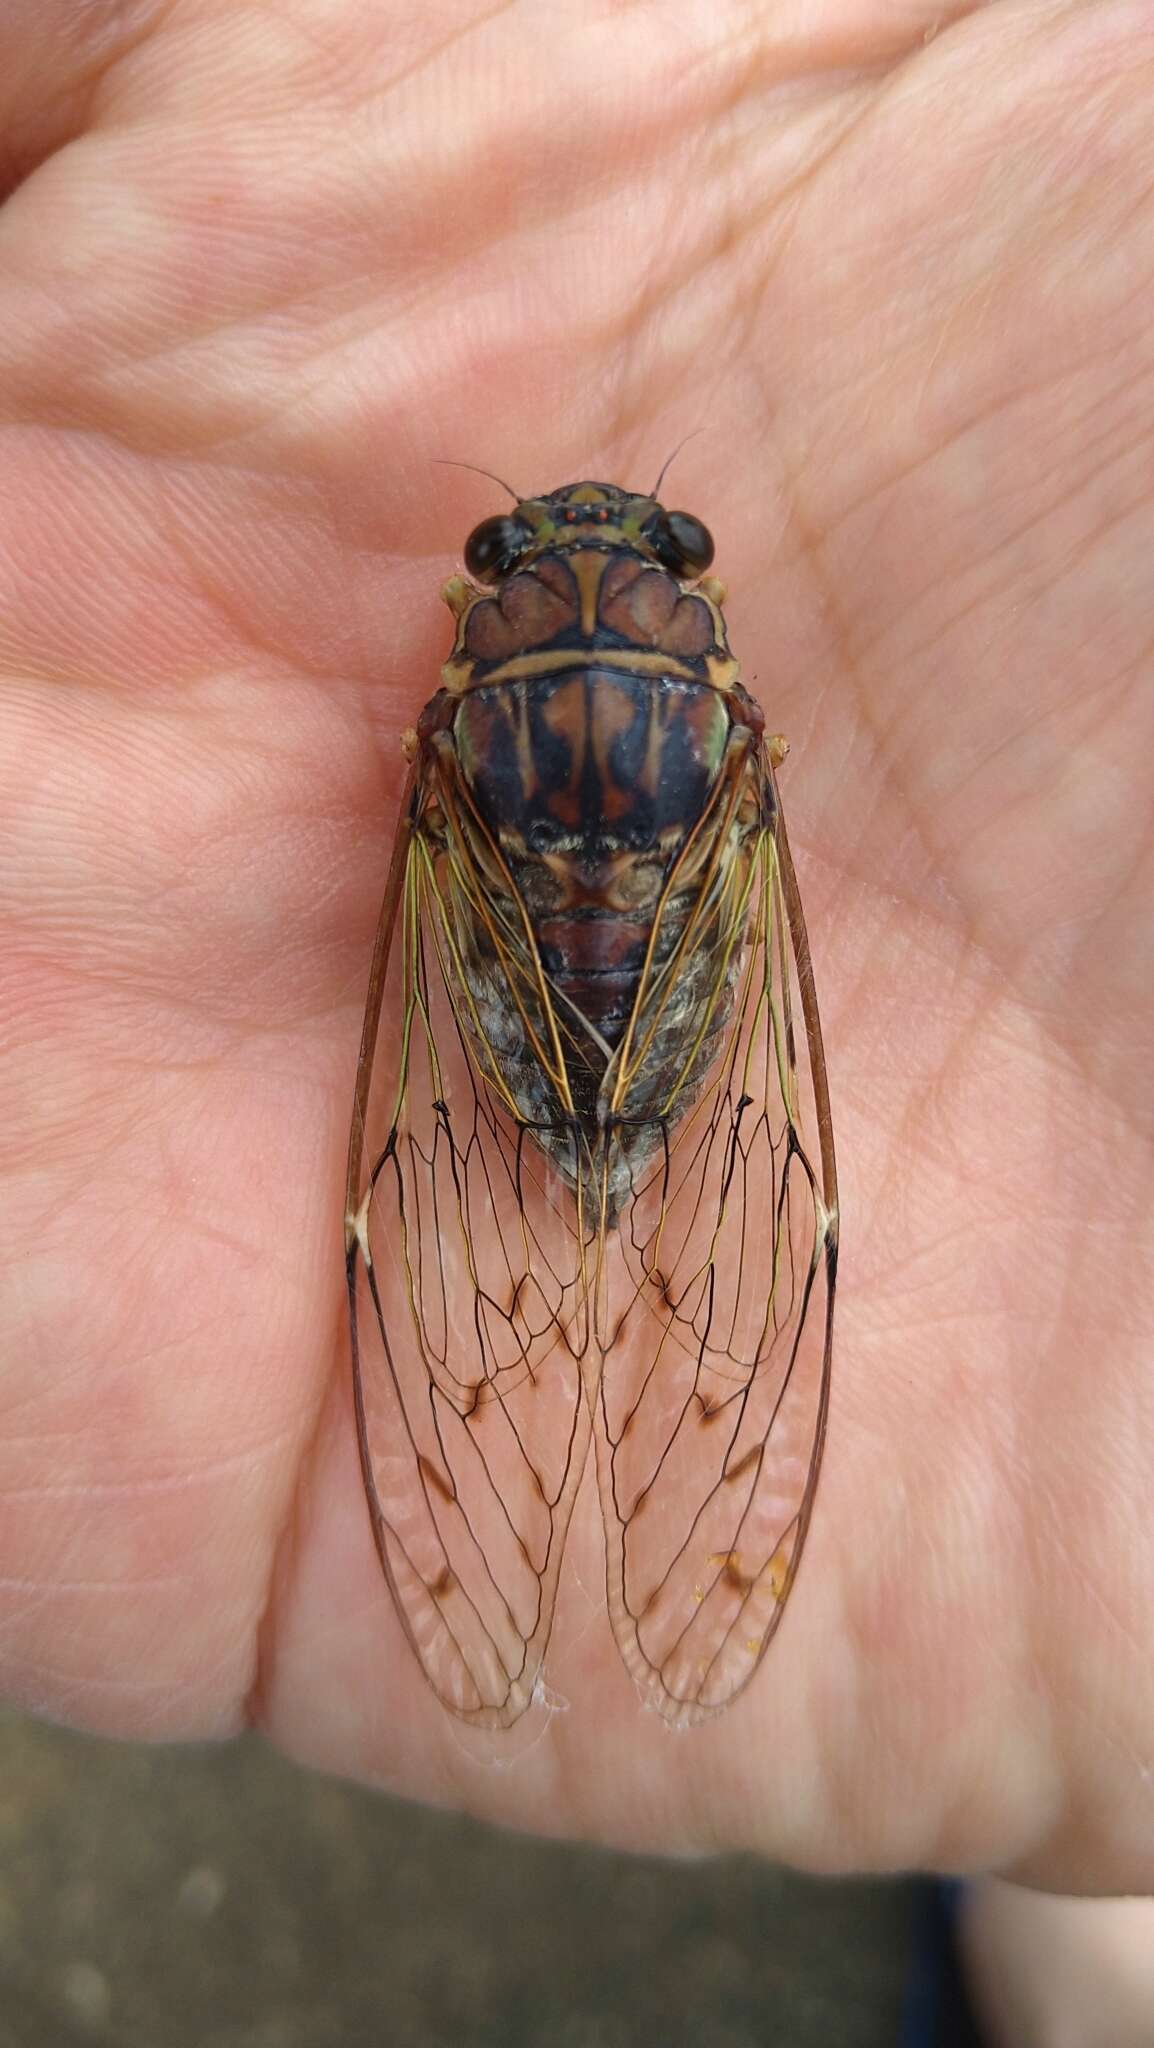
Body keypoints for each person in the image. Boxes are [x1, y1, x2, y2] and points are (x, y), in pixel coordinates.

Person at [1, 2, 1151, 2037]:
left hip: (507, 991)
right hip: (685, 994)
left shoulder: (458, 722)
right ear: (693, 626)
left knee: (490, 1150)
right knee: (746, 1181)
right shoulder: (721, 722)